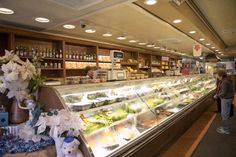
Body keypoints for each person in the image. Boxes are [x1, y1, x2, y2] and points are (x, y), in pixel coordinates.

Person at [215, 70, 234, 134]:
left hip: (226, 99)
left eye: (217, 74)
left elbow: (224, 93)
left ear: (220, 75)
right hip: (228, 98)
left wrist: (217, 95)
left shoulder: (224, 82)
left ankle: (225, 130)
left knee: (224, 114)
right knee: (225, 114)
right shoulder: (226, 80)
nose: (216, 76)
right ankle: (224, 127)